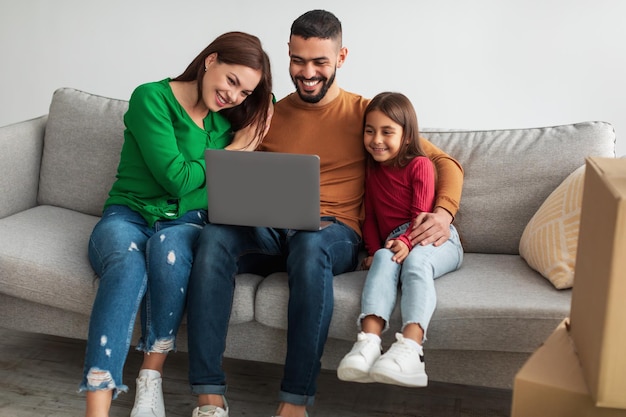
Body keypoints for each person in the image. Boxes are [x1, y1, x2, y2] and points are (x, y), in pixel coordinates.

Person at [186, 10, 463, 417]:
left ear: (341, 57)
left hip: (332, 235)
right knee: (212, 237)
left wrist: (443, 213)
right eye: (299, 60)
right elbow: (229, 165)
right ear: (289, 55)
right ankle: (208, 396)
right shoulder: (268, 112)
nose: (308, 72)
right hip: (270, 229)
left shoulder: (368, 115)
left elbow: (444, 164)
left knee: (310, 243)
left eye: (320, 62)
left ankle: (294, 401)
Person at [80, 31, 273, 417]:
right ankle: (96, 409)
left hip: (184, 226)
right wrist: (230, 156)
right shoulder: (151, 98)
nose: (233, 97)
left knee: (169, 252)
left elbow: (223, 194)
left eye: (244, 93)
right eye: (232, 81)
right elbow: (177, 179)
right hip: (128, 215)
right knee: (126, 267)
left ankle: (150, 380)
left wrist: (199, 185)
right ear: (210, 60)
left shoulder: (222, 124)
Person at [336, 92, 464, 388]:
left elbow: (420, 214)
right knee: (383, 257)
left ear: (406, 137)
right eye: (370, 131)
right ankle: (367, 343)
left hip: (432, 236)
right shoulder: (372, 170)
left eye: (387, 132)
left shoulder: (420, 164)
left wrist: (406, 241)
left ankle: (411, 350)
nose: (376, 139)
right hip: (398, 240)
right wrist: (372, 250)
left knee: (416, 263)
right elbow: (369, 217)